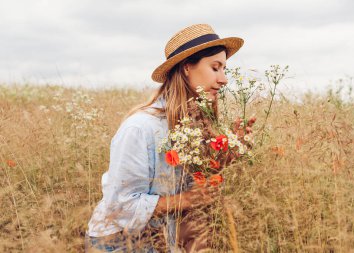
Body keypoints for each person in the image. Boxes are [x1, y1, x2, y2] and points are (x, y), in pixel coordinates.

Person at [85, 24, 244, 252]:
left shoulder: (192, 125)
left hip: (161, 239)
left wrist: (231, 152)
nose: (224, 79)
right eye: (215, 68)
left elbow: (195, 181)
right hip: (118, 242)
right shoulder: (140, 128)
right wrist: (188, 199)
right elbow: (121, 205)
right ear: (187, 67)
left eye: (224, 69)